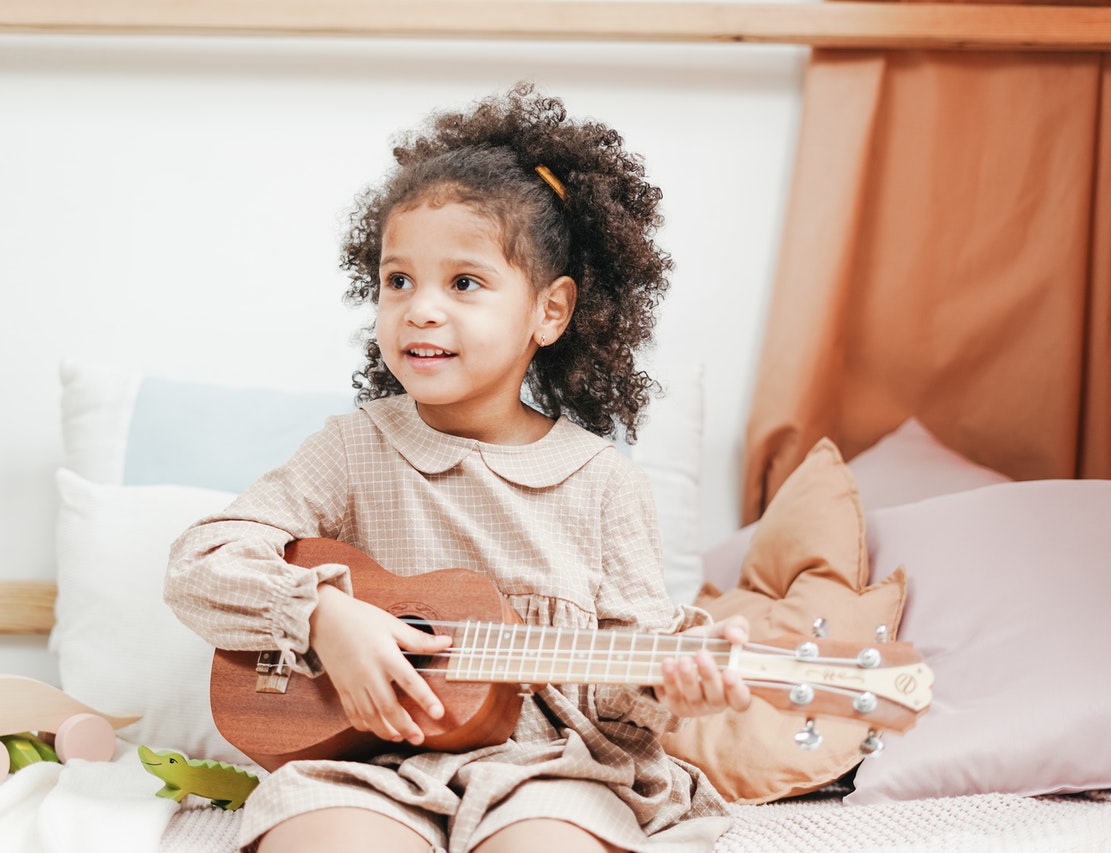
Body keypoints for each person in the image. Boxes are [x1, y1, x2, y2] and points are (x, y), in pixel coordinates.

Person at [164, 82, 751, 853]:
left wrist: (665, 685)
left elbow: (620, 699)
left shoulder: (604, 484)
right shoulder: (355, 448)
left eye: (464, 282)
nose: (421, 308)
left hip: (551, 775)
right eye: (398, 280)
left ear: (550, 311)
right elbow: (198, 563)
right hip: (367, 768)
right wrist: (324, 618)